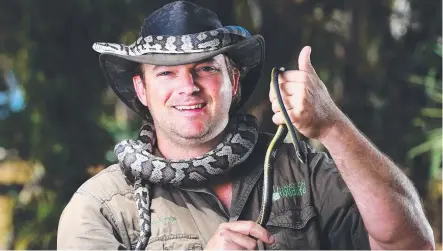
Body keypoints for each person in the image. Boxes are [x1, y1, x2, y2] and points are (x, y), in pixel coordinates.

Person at [57, 1, 434, 250]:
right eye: (166, 72)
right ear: (142, 89)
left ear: (234, 81)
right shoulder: (100, 206)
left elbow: (409, 243)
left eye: (206, 68)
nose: (188, 87)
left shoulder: (301, 169)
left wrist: (332, 126)